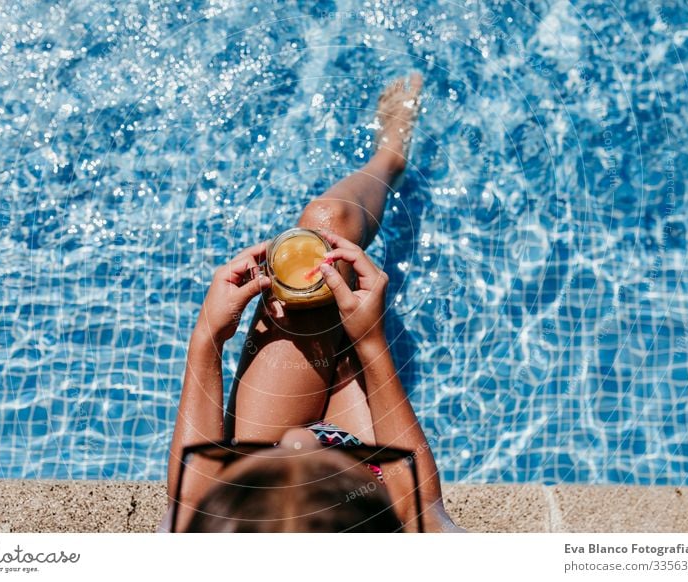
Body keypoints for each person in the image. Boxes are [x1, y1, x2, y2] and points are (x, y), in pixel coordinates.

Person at [161, 73, 462, 532]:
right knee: (327, 224)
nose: (299, 442)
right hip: (368, 458)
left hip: (275, 447)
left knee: (318, 245)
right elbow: (423, 512)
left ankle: (386, 162)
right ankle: (390, 155)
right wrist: (371, 343)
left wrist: (208, 339)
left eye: (288, 453)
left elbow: (190, 502)